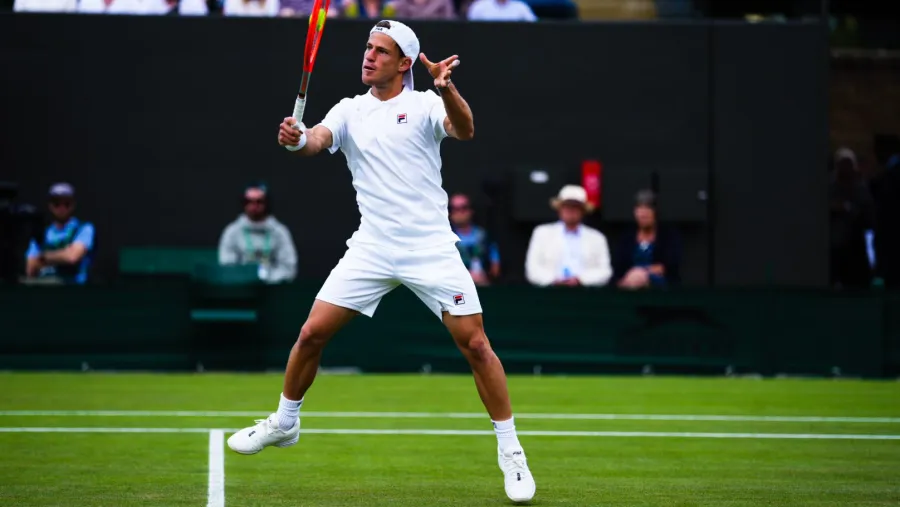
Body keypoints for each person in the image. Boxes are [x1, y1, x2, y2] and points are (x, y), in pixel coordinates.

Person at [226, 20, 536, 503]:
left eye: (381, 51)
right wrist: (294, 138)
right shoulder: (350, 110)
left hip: (430, 247)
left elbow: (466, 129)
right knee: (311, 334)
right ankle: (285, 423)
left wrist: (447, 87)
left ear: (404, 63)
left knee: (476, 345)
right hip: (372, 246)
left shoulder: (426, 104)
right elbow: (314, 141)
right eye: (368, 48)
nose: (369, 57)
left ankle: (511, 451)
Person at [524, 184, 612, 287]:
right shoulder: (542, 233)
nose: (570, 210)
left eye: (575, 207)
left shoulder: (597, 238)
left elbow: (605, 271)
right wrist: (554, 280)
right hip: (549, 294)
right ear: (559, 209)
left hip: (585, 294)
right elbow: (532, 269)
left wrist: (580, 280)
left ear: (583, 211)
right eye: (566, 206)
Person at [218, 182, 298, 284]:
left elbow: (288, 267)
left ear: (267, 203)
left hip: (273, 290)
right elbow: (227, 266)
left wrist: (267, 280)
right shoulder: (232, 232)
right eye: (249, 201)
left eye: (259, 201)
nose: (254, 205)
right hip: (240, 289)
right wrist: (246, 278)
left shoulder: (280, 232)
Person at [25, 183, 96, 285]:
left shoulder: (84, 228)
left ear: (73, 205)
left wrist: (43, 258)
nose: (62, 208)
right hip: (44, 289)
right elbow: (30, 268)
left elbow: (73, 257)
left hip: (74, 290)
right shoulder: (41, 232)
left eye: (66, 203)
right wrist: (63, 255)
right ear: (50, 205)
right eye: (57, 204)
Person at [612, 189, 681, 289]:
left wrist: (643, 273)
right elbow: (619, 267)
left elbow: (669, 266)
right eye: (639, 209)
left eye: (647, 209)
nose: (643, 214)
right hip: (629, 282)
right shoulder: (627, 237)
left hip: (661, 286)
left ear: (655, 212)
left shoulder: (668, 235)